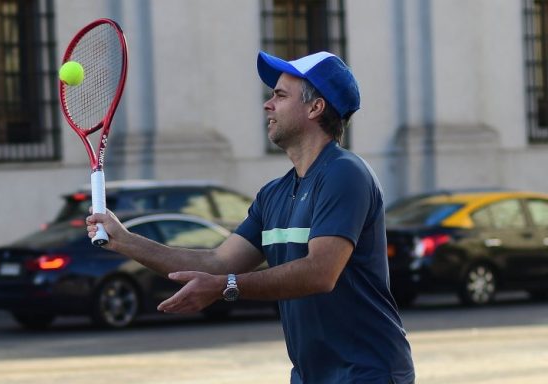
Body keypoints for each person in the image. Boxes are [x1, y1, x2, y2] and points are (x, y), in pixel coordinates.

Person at [86, 51, 415, 383]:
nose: (267, 104)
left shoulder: (346, 173)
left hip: (367, 372)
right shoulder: (273, 194)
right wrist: (125, 241)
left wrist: (227, 286)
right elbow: (216, 263)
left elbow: (321, 273)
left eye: (280, 95)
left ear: (316, 108)